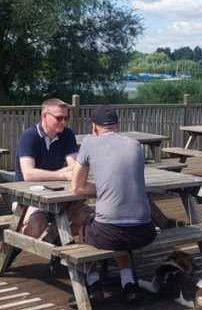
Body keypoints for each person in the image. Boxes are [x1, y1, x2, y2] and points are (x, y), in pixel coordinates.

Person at [69, 106, 155, 304]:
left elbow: (76, 187)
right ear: (118, 125)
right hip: (145, 232)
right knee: (117, 232)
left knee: (80, 224)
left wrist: (103, 188)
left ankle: (93, 281)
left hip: (110, 232)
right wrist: (110, 187)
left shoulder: (90, 143)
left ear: (94, 127)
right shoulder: (135, 145)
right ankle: (128, 282)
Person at [15, 98, 91, 239]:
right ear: (44, 116)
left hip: (56, 196)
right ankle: (19, 238)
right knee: (38, 225)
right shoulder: (29, 136)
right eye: (59, 118)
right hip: (28, 198)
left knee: (86, 216)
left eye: (66, 118)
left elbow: (74, 167)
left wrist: (66, 172)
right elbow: (29, 174)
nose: (64, 122)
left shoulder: (67, 134)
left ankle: (57, 243)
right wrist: (61, 174)